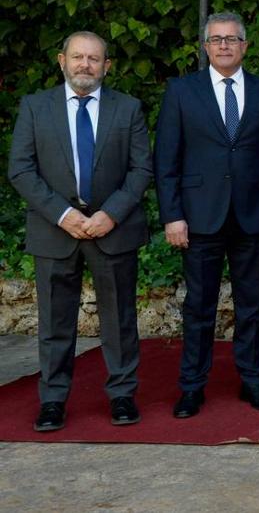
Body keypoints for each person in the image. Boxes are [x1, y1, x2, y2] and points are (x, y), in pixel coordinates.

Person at [7, 31, 152, 432]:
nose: (85, 65)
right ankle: (52, 401)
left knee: (120, 319)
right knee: (54, 322)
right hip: (55, 231)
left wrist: (112, 214)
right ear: (61, 60)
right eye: (77, 57)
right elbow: (20, 168)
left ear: (107, 65)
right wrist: (62, 214)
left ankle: (122, 395)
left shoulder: (128, 109)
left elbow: (142, 169)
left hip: (113, 230)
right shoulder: (36, 108)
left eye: (94, 58)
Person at [154, 11, 259, 418]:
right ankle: (192, 386)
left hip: (252, 215)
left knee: (251, 306)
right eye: (216, 39)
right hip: (198, 216)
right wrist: (172, 216)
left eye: (232, 39)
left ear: (245, 46)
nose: (224, 45)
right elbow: (166, 159)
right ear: (206, 47)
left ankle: (253, 381)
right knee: (199, 307)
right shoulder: (181, 91)